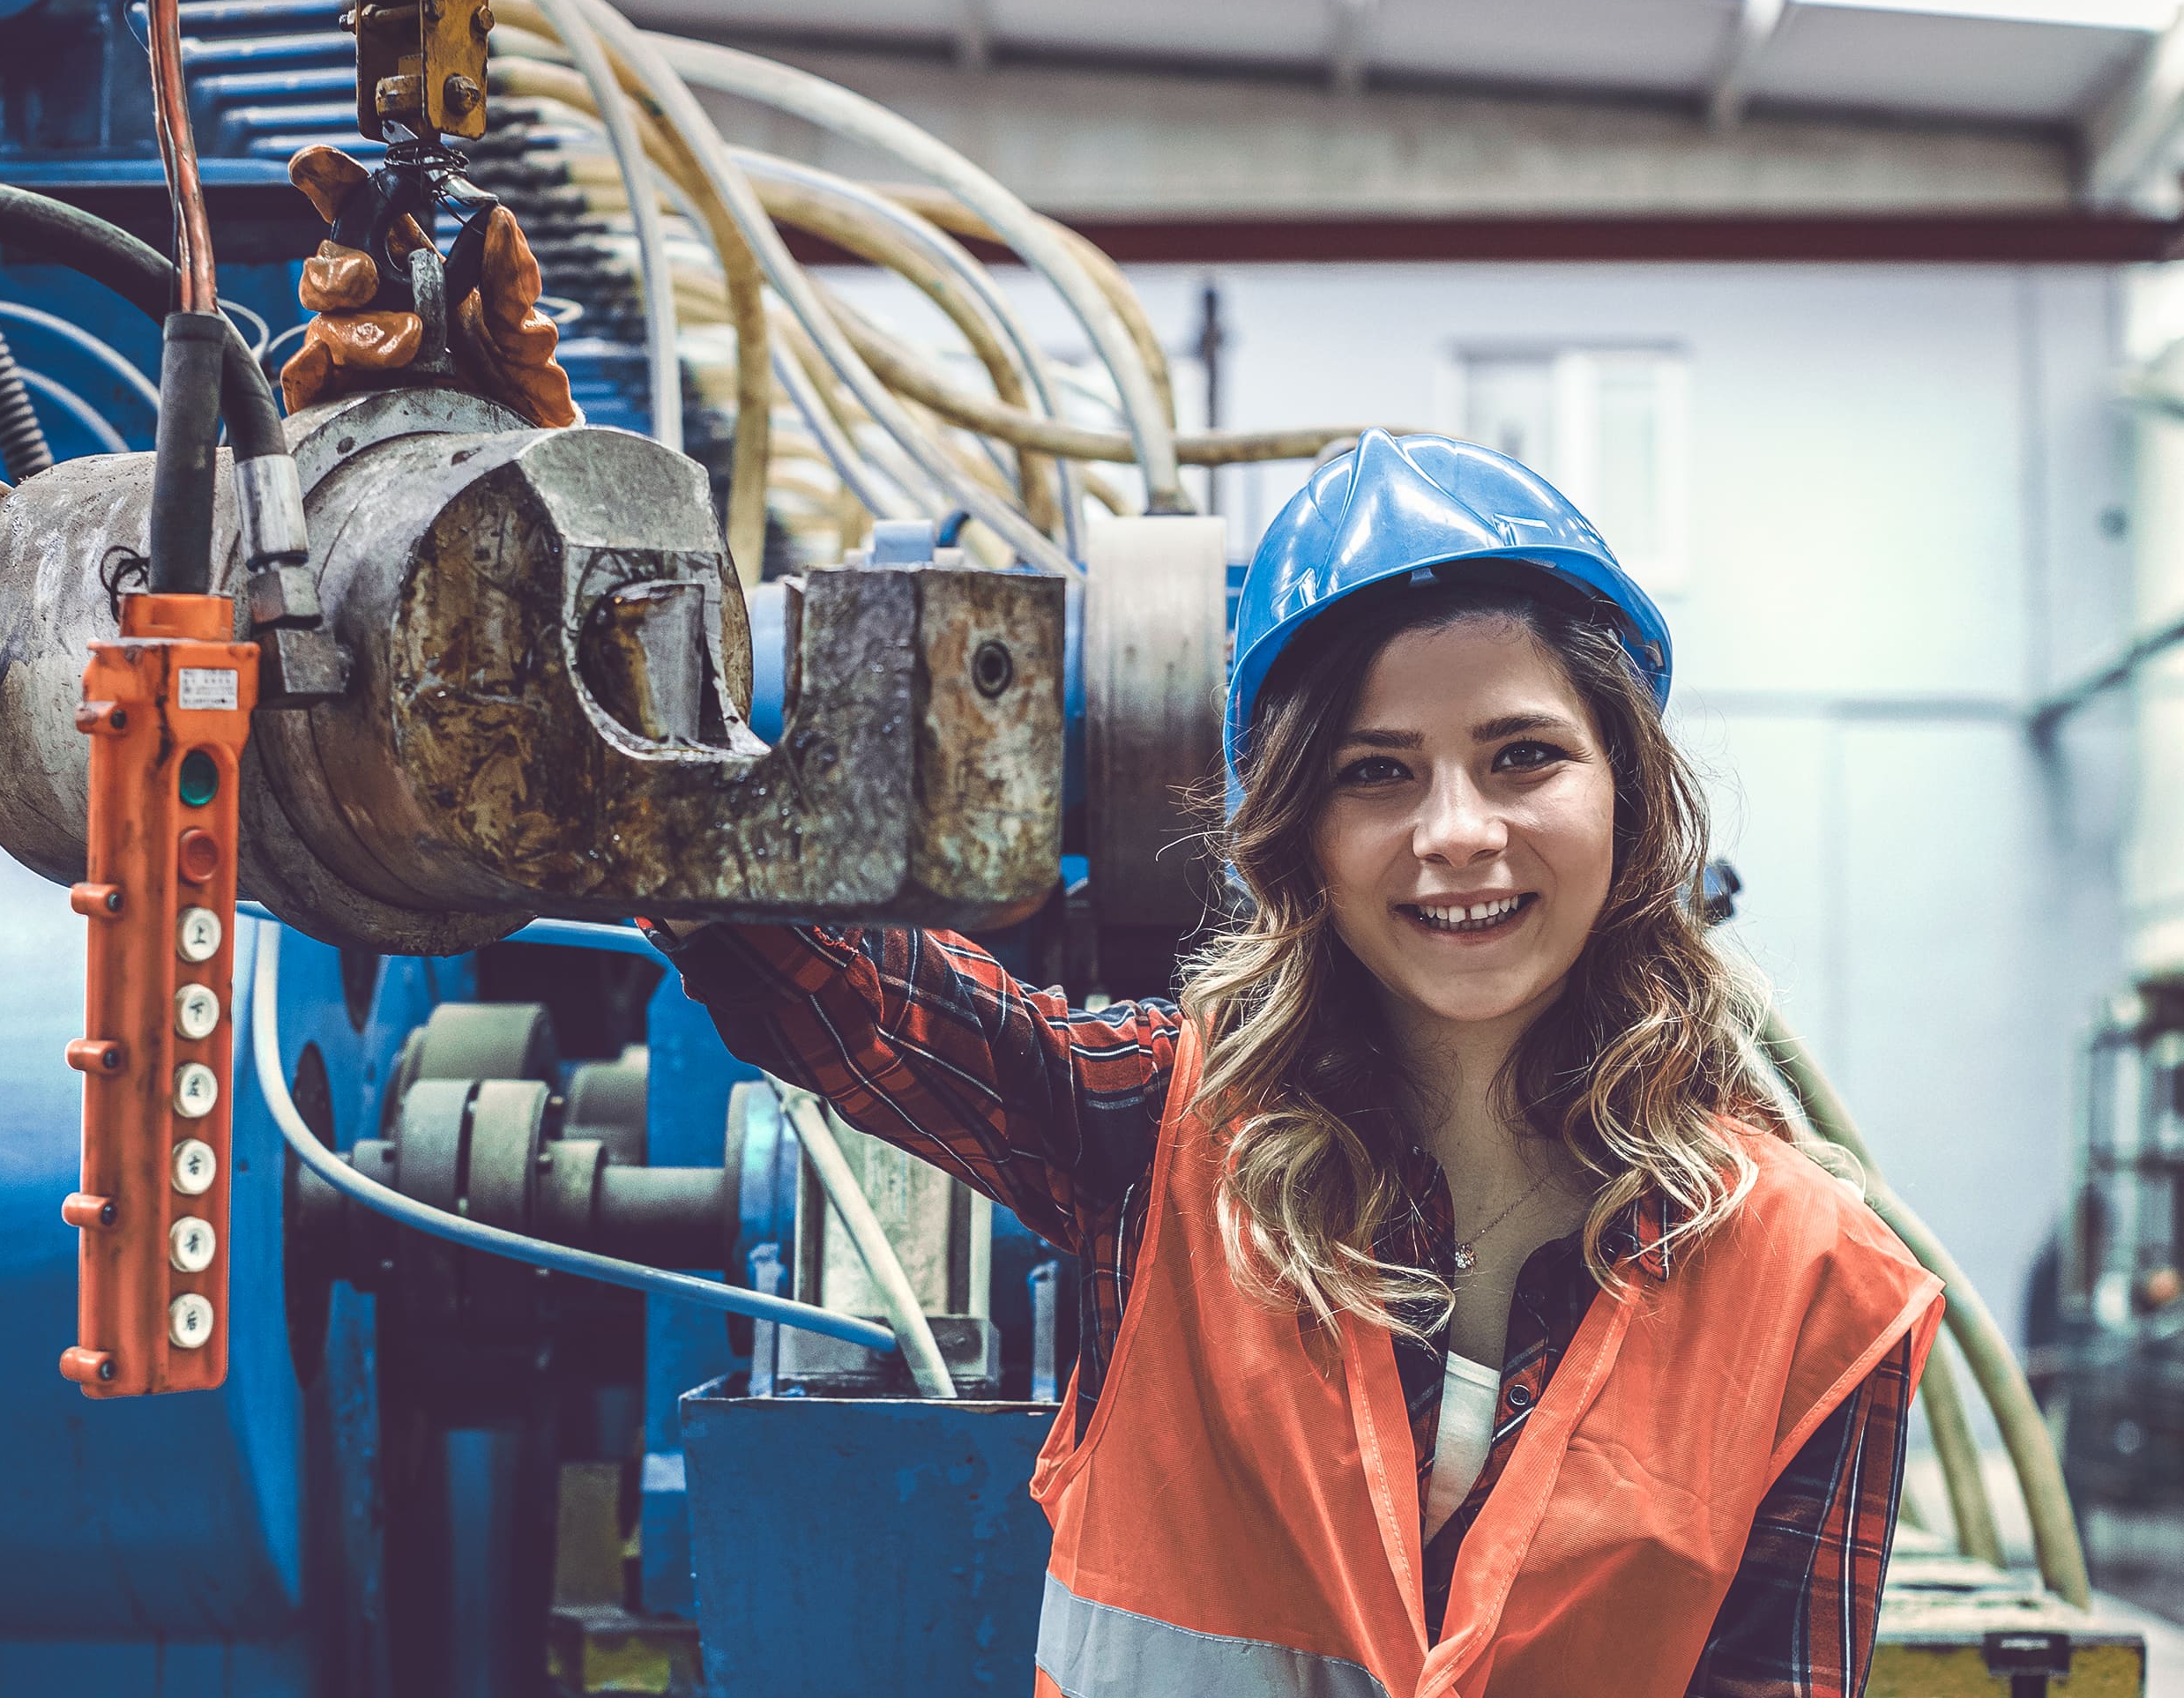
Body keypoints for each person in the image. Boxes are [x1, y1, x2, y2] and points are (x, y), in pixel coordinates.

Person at [653, 433, 1942, 1698]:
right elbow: (845, 993)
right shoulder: (1158, 1141)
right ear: (1300, 836)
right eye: (1375, 773)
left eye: (1523, 756)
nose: (1456, 834)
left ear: (1629, 796)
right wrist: (624, 717)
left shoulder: (1811, 1286)